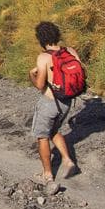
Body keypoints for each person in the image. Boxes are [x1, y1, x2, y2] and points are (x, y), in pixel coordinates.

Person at [28, 21, 80, 182]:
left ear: (41, 39)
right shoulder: (70, 51)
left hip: (49, 103)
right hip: (66, 102)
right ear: (57, 35)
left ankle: (48, 174)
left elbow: (40, 85)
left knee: (42, 137)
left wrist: (32, 74)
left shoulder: (44, 57)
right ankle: (67, 160)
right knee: (53, 131)